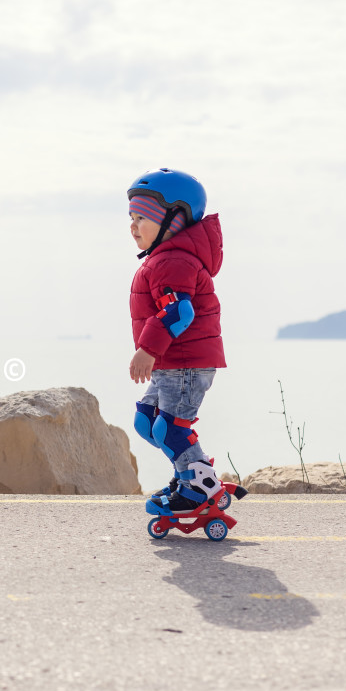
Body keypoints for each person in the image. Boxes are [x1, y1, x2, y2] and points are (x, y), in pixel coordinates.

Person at [126, 168, 227, 515]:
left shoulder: (173, 260)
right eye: (131, 217)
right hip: (172, 361)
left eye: (142, 217)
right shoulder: (163, 258)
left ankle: (198, 488)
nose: (133, 225)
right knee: (147, 420)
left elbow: (178, 314)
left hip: (185, 361)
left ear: (175, 218)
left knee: (169, 428)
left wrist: (147, 350)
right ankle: (188, 475)